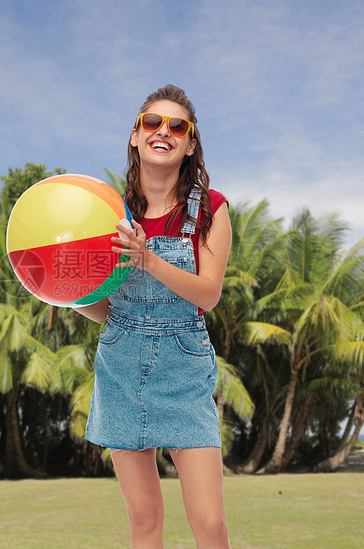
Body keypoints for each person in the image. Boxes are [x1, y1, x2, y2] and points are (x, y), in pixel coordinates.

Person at [75, 84, 232, 549]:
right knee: (143, 521)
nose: (163, 131)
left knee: (210, 524)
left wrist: (147, 258)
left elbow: (208, 293)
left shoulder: (210, 209)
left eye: (177, 126)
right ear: (135, 136)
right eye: (152, 122)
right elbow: (109, 309)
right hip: (120, 366)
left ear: (190, 144)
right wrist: (68, 294)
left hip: (184, 368)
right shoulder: (106, 212)